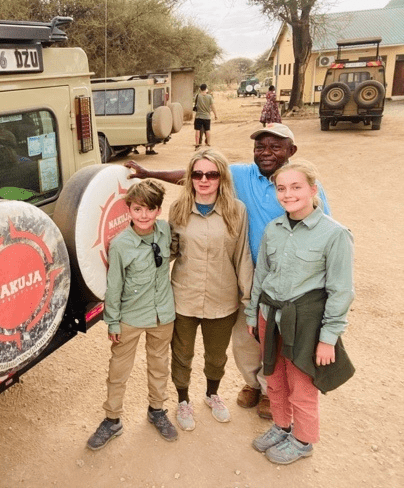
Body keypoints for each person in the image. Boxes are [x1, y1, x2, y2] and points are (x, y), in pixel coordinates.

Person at [124, 122, 330, 420]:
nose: (267, 152)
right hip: (204, 291)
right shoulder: (239, 176)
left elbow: (319, 229)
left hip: (286, 280)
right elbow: (170, 244)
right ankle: (251, 387)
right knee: (245, 344)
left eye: (276, 146)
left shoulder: (297, 184)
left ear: (291, 151)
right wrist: (148, 174)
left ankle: (273, 396)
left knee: (278, 342)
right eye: (261, 146)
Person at [246, 160, 354, 465]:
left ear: (313, 190)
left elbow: (341, 291)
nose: (287, 194)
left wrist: (328, 338)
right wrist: (252, 315)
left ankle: (303, 440)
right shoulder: (273, 228)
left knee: (301, 383)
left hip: (305, 323)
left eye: (296, 187)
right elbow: (261, 276)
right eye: (281, 188)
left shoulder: (335, 235)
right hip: (270, 315)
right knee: (274, 377)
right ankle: (282, 426)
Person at [87, 180, 177, 450]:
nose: (144, 215)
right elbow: (114, 286)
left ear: (158, 210)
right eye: (138, 209)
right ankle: (112, 419)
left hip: (163, 315)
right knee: (118, 370)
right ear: (129, 210)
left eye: (150, 209)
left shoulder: (164, 231)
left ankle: (157, 410)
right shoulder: (121, 245)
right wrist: (112, 320)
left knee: (159, 366)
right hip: (130, 318)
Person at [168, 149, 253, 431]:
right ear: (190, 177)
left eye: (212, 174)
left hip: (222, 298)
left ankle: (212, 394)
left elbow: (242, 257)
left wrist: (248, 300)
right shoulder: (178, 210)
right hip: (184, 296)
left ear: (221, 178)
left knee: (217, 355)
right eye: (198, 174)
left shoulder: (236, 211)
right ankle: (183, 400)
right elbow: (170, 251)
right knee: (182, 354)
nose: (204, 180)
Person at [193, 84, 218, 149]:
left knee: (197, 130)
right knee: (207, 130)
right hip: (207, 116)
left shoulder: (197, 96)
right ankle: (208, 143)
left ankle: (197, 143)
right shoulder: (209, 97)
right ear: (206, 89)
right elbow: (213, 107)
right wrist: (216, 115)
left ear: (200, 89)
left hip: (198, 116)